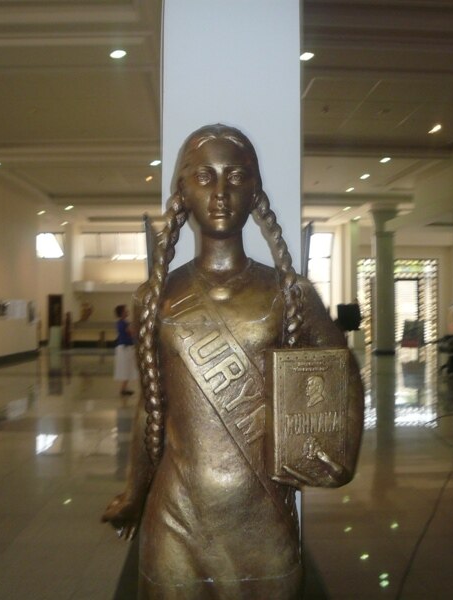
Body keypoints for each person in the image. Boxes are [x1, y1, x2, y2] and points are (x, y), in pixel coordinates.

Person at [102, 124, 364, 598]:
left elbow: (342, 377)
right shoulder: (156, 298)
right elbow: (151, 406)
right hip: (175, 516)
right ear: (183, 190)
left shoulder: (291, 294)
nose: (221, 193)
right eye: (205, 177)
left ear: (254, 191)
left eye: (236, 177)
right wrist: (134, 494)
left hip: (263, 516)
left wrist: (338, 453)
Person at [113, 304, 137, 395]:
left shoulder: (121, 323)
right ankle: (123, 389)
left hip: (124, 348)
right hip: (125, 348)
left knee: (127, 368)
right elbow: (132, 332)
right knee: (126, 368)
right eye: (125, 310)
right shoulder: (123, 323)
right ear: (122, 313)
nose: (127, 311)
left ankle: (124, 388)